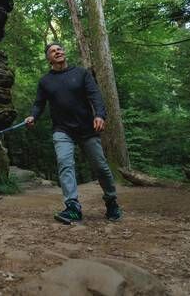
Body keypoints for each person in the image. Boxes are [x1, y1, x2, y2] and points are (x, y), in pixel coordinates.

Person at [25, 43, 122, 224]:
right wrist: (33, 116)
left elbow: (95, 96)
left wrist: (99, 115)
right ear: (48, 58)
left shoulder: (81, 73)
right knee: (65, 163)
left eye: (59, 49)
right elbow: (39, 103)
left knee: (100, 166)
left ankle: (111, 201)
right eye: (53, 51)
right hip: (62, 130)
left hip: (87, 128)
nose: (58, 52)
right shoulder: (45, 81)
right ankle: (72, 207)